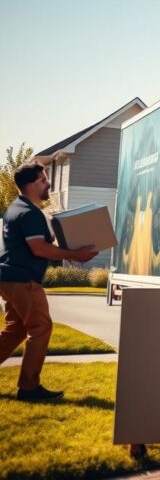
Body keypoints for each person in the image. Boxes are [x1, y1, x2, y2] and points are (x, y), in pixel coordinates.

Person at [0, 164, 98, 401]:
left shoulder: (17, 208)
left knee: (16, 330)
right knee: (40, 328)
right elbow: (38, 248)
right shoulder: (29, 213)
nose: (48, 184)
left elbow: (36, 242)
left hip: (8, 278)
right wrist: (75, 255)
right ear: (32, 184)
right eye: (44, 180)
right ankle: (29, 388)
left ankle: (29, 386)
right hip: (23, 280)